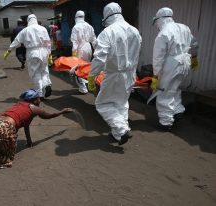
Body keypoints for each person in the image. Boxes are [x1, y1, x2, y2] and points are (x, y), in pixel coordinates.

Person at [87, 2, 142, 145]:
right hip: (130, 74)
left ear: (107, 16)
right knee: (121, 102)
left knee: (102, 103)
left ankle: (121, 129)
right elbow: (137, 53)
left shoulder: (108, 32)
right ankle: (119, 133)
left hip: (114, 74)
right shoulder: (135, 31)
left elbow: (99, 57)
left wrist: (92, 76)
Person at [150, 7, 198, 130]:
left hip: (172, 64)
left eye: (156, 22)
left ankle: (166, 122)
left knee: (163, 92)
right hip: (185, 62)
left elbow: (158, 57)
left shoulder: (164, 32)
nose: (157, 25)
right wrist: (194, 60)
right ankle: (178, 111)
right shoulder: (184, 28)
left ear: (160, 19)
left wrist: (156, 76)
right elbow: (195, 44)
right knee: (174, 88)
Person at [4, 14, 52, 99]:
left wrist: (9, 50)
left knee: (35, 72)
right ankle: (47, 84)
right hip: (44, 52)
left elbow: (17, 41)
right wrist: (50, 54)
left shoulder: (25, 30)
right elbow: (48, 42)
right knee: (44, 70)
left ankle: (40, 94)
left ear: (28, 21)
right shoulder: (43, 29)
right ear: (36, 20)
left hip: (33, 53)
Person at [70, 10, 97, 94]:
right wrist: (96, 50)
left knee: (78, 68)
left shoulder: (76, 27)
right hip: (88, 48)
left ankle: (83, 87)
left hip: (80, 48)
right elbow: (94, 40)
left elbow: (74, 42)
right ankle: (87, 84)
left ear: (76, 17)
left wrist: (74, 54)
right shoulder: (89, 26)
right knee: (86, 67)